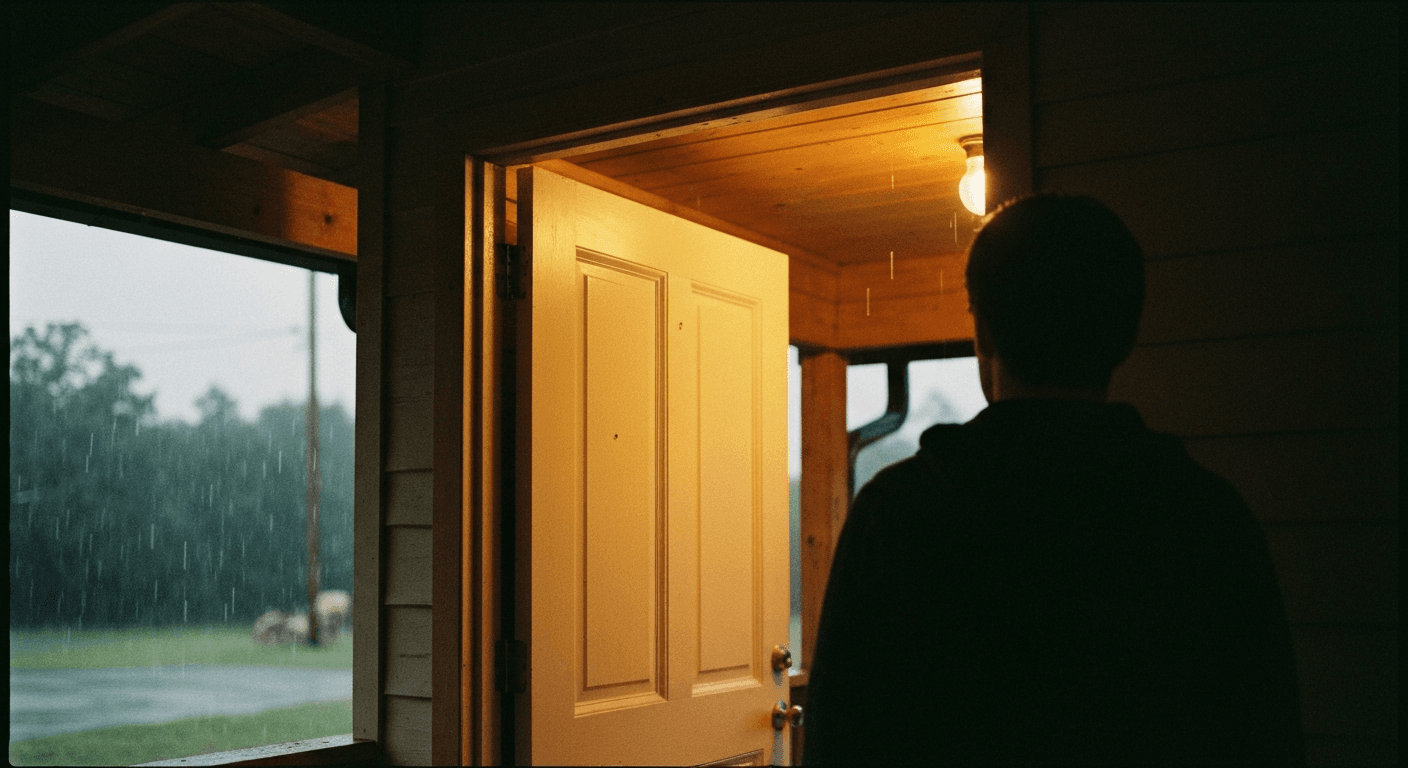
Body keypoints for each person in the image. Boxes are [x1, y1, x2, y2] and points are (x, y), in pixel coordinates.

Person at [802, 195, 1304, 764]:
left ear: (985, 332)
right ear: (1127, 334)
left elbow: (838, 742)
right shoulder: (1208, 518)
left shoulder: (897, 515)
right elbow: (1267, 734)